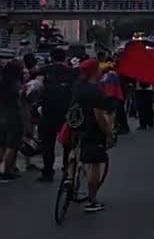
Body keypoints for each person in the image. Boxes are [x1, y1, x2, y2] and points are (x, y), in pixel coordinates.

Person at [69, 59, 113, 213]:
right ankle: (92, 200)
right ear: (94, 71)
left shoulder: (77, 86)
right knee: (94, 166)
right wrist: (108, 133)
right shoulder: (95, 91)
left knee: (75, 154)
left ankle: (70, 181)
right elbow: (98, 116)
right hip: (92, 130)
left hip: (74, 128)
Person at [37, 47, 77, 182]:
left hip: (48, 112)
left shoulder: (44, 71)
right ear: (65, 58)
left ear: (51, 57)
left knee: (48, 144)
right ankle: (67, 170)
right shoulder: (72, 72)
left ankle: (47, 172)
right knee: (67, 143)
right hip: (66, 113)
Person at [0, 61, 24, 181]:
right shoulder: (15, 84)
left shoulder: (2, 81)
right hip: (13, 115)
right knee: (12, 145)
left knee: (2, 144)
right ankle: (6, 171)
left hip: (1, 114)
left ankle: (1, 168)